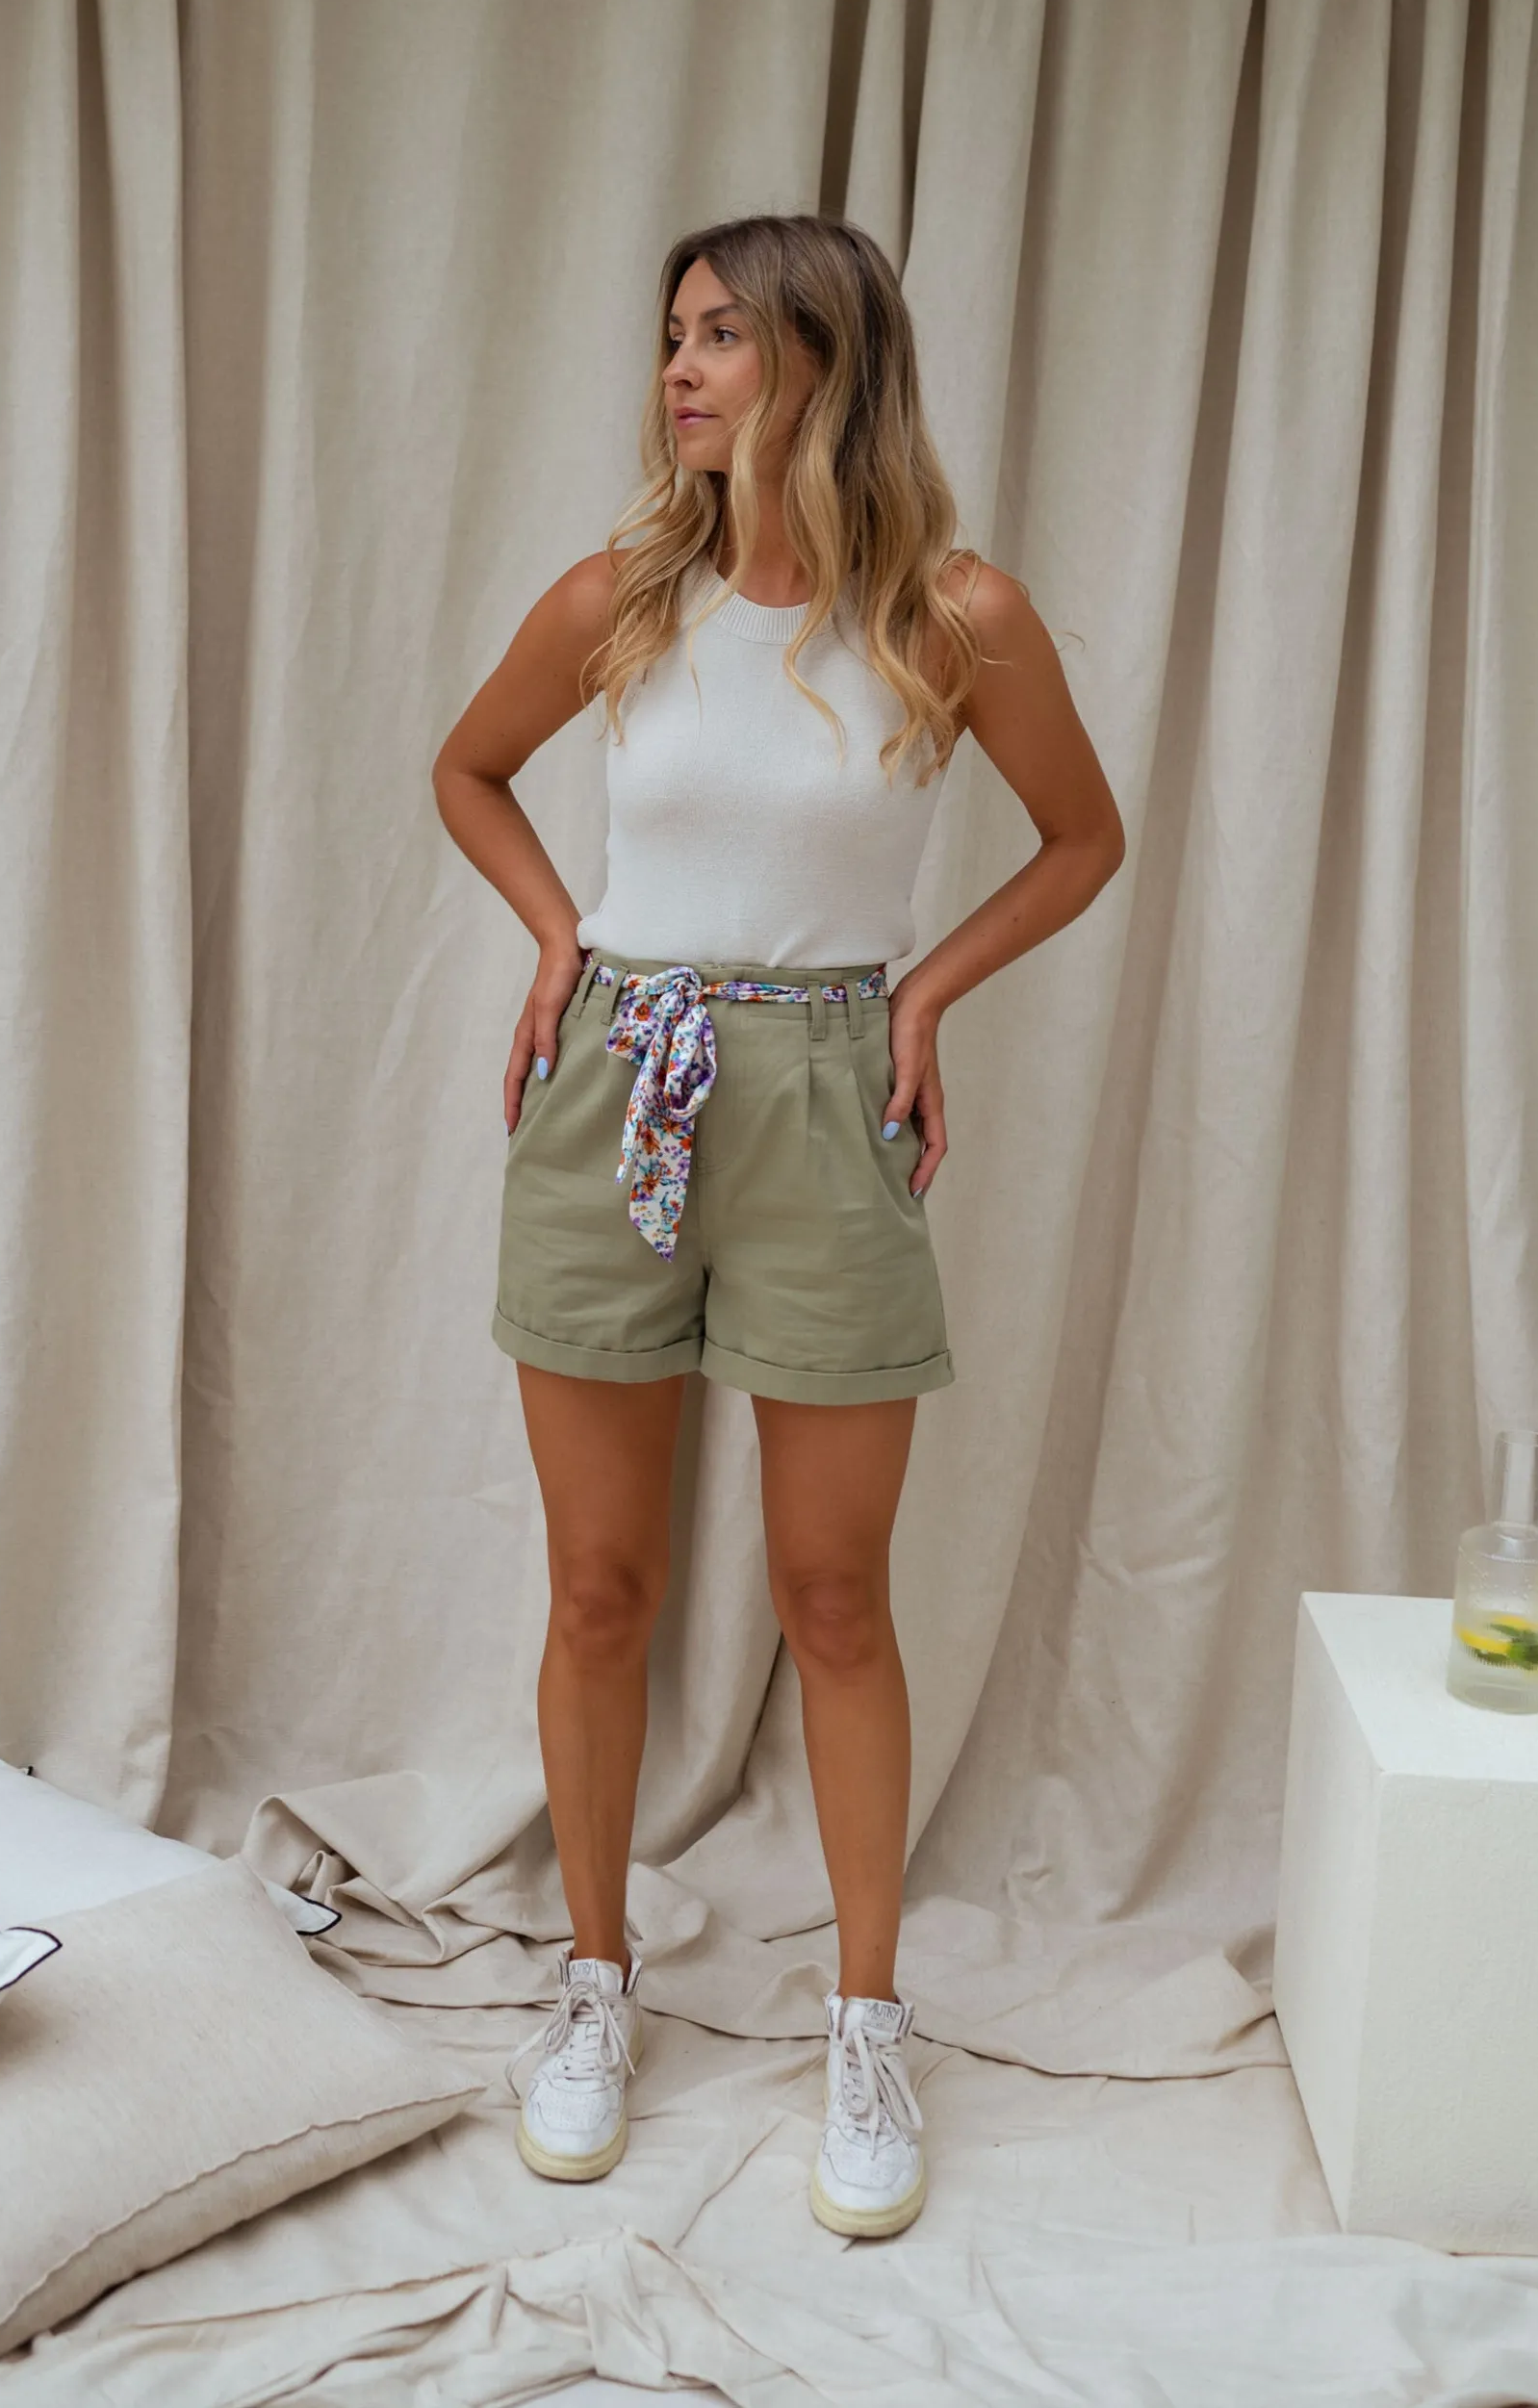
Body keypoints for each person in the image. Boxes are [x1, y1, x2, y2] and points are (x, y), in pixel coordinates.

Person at [430, 213, 1122, 2238]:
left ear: (827, 360)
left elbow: (1084, 838)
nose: (681, 369)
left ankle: (867, 2024)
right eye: (675, 335)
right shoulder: (621, 599)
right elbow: (471, 773)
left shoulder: (952, 613)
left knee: (835, 1595)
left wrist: (925, 992)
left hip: (828, 1094)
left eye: (724, 335)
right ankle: (593, 1986)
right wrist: (559, 937)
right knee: (599, 1589)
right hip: (619, 1084)